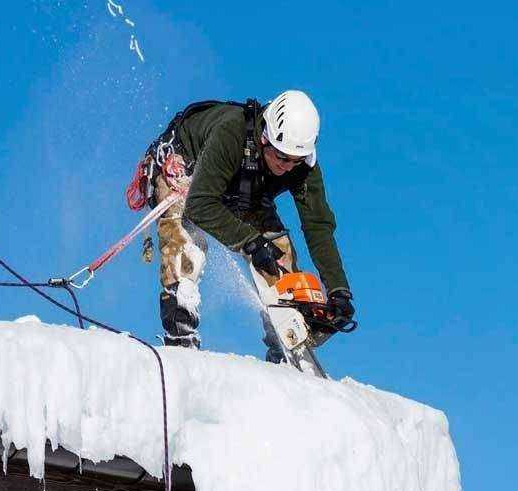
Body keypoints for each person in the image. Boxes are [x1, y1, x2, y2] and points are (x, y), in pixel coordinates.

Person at [130, 90, 355, 356]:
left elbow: (318, 225)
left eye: (295, 161)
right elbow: (200, 205)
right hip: (187, 172)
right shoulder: (231, 135)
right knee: (186, 247)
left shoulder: (302, 166)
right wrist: (248, 241)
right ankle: (182, 335)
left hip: (245, 191)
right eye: (281, 157)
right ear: (264, 138)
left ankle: (287, 338)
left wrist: (338, 289)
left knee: (277, 256)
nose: (287, 167)